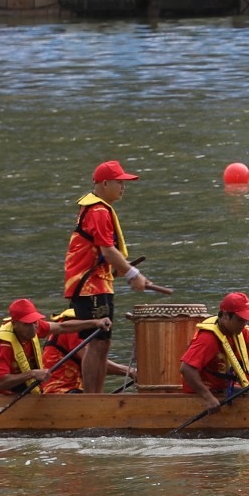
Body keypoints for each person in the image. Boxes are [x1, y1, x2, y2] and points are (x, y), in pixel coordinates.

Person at [64, 160, 166, 394]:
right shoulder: (98, 211)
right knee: (97, 343)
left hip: (97, 283)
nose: (123, 187)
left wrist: (121, 268)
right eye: (119, 182)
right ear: (105, 183)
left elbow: (104, 253)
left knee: (102, 343)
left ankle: (95, 397)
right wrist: (133, 274)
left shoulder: (98, 209)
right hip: (91, 287)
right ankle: (93, 399)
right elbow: (107, 250)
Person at [0, 298, 91, 395]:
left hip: (31, 396)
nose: (33, 328)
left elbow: (62, 327)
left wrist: (95, 323)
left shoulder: (34, 327)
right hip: (7, 398)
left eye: (34, 322)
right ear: (15, 324)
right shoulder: (4, 346)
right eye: (27, 324)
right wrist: (31, 374)